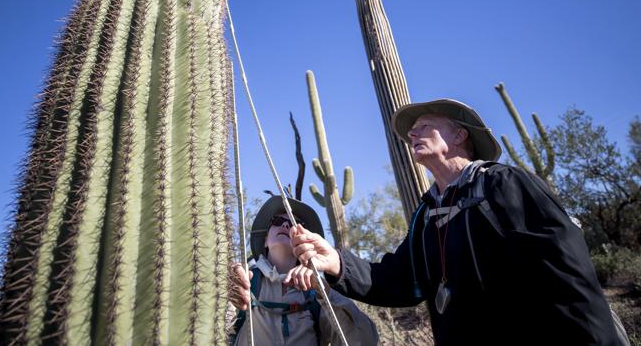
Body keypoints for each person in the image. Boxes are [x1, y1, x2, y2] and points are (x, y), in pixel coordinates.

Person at [286, 99, 623, 346]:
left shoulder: (503, 184)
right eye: (412, 131)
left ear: (460, 135)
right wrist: (336, 263)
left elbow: (567, 271)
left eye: (425, 125)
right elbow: (401, 281)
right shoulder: (427, 213)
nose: (413, 132)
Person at [228, 195, 378, 345]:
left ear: (305, 243)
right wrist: (221, 285)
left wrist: (326, 294)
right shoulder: (245, 281)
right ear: (266, 239)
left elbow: (364, 341)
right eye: (278, 221)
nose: (286, 226)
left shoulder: (317, 293)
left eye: (295, 224)